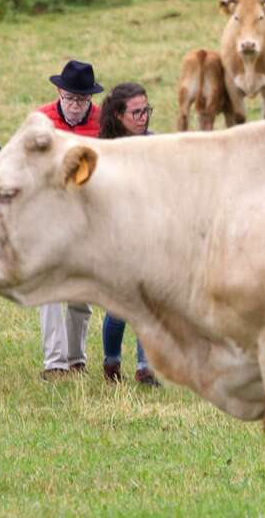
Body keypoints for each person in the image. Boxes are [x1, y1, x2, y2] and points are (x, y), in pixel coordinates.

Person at [36, 60, 103, 380]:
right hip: (49, 213)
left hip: (87, 217)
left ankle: (76, 358)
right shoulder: (41, 120)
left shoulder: (102, 120)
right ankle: (55, 363)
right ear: (59, 92)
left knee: (80, 293)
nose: (77, 106)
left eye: (83, 99)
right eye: (71, 98)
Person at [97, 83, 161, 387]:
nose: (143, 117)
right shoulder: (104, 151)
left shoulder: (156, 145)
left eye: (146, 110)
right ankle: (111, 363)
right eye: (136, 112)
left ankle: (145, 368)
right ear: (118, 115)